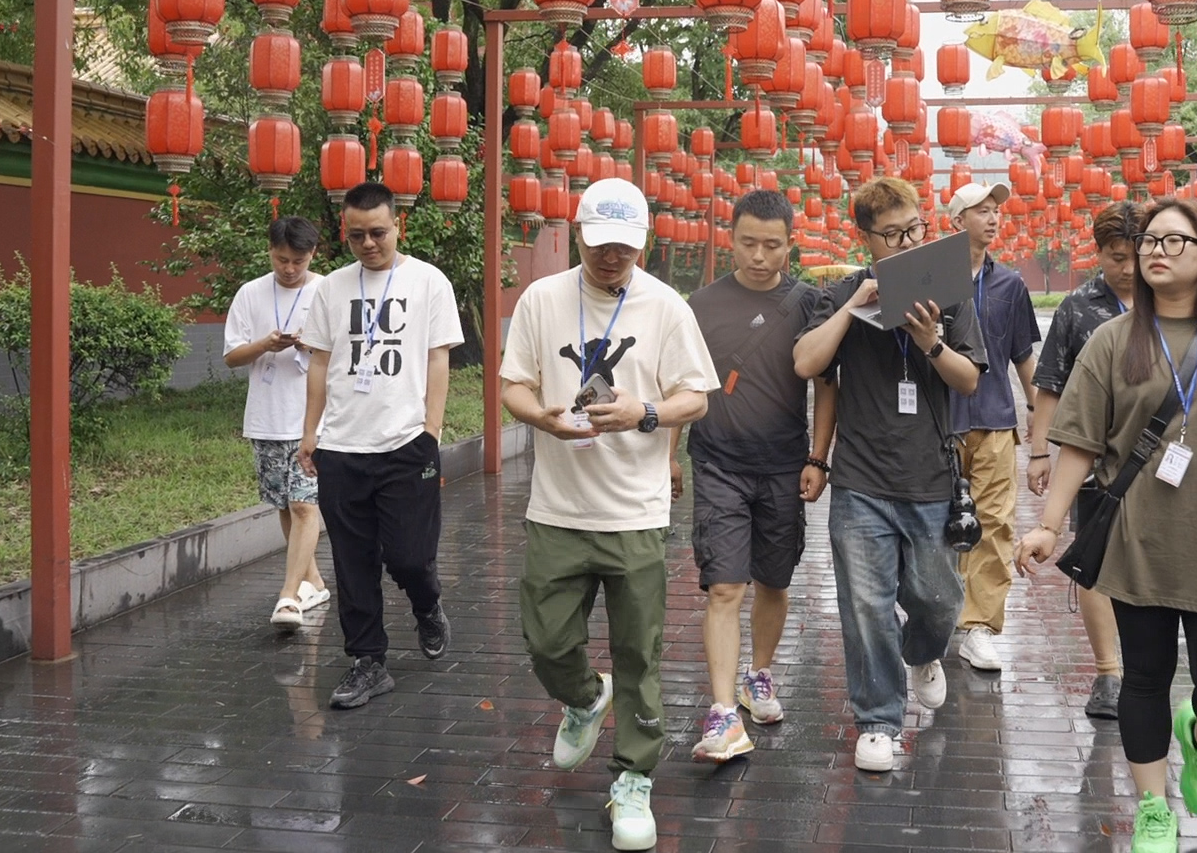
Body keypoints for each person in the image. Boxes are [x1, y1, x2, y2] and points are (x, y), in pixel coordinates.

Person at [1017, 198, 1197, 853]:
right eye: (1150, 241)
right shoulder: (1112, 342)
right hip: (1137, 541)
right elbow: (1080, 443)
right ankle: (1153, 806)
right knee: (1142, 678)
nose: (1156, 251)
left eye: (1175, 241)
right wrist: (1049, 524)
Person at [498, 177, 715, 852]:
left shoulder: (666, 307)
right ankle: (587, 697)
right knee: (546, 640)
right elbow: (514, 385)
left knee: (639, 653)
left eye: (624, 248)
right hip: (559, 506)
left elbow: (695, 396)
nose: (611, 259)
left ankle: (633, 780)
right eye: (600, 247)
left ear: (641, 244)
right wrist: (545, 420)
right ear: (578, 235)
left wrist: (643, 414)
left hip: (636, 510)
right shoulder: (542, 299)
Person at [792, 176, 988, 774]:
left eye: (915, 230)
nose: (906, 243)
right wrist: (856, 307)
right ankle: (878, 720)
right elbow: (809, 364)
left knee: (937, 600)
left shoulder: (947, 293)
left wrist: (930, 342)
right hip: (860, 481)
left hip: (930, 477)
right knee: (865, 603)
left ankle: (923, 652)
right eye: (892, 235)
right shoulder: (843, 295)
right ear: (867, 238)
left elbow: (970, 380)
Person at [675, 190, 830, 765]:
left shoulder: (809, 303)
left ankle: (757, 676)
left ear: (789, 244)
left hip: (784, 464)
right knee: (724, 585)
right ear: (730, 239)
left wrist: (818, 459)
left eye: (771, 245)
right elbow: (681, 382)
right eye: (748, 243)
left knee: (774, 580)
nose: (759, 256)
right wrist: (672, 455)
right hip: (717, 459)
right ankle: (721, 711)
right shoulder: (701, 304)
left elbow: (825, 386)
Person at [297, 182, 463, 710]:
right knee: (352, 560)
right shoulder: (331, 289)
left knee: (411, 557)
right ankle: (368, 661)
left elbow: (439, 358)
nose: (368, 244)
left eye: (378, 233)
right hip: (343, 446)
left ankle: (427, 604)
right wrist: (310, 431)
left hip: (405, 442)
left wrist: (431, 430)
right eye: (356, 236)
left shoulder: (428, 282)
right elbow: (320, 362)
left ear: (399, 227)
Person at [1026, 201, 1142, 719]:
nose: (1129, 268)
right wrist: (1038, 451)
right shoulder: (1078, 307)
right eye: (1117, 257)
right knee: (1093, 559)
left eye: (1136, 255)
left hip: (1162, 461)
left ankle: (1146, 666)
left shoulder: (1174, 300)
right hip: (1094, 458)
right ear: (1098, 254)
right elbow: (1049, 382)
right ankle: (1108, 672)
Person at [944, 181, 1040, 673]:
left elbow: (1024, 359)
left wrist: (1039, 432)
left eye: (995, 210)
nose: (993, 217)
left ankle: (978, 626)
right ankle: (938, 613)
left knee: (995, 524)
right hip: (941, 424)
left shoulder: (1011, 285)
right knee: (935, 524)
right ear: (957, 219)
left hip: (997, 421)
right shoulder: (932, 279)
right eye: (981, 210)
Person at [223, 216, 330, 630]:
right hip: (267, 417)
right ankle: (315, 582)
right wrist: (266, 344)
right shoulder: (250, 293)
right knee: (285, 505)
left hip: (314, 420)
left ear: (312, 255)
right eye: (281, 260)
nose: (289, 268)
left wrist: (310, 345)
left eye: (298, 261)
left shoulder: (326, 290)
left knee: (305, 504)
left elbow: (346, 353)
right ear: (270, 251)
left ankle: (288, 598)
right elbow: (232, 357)